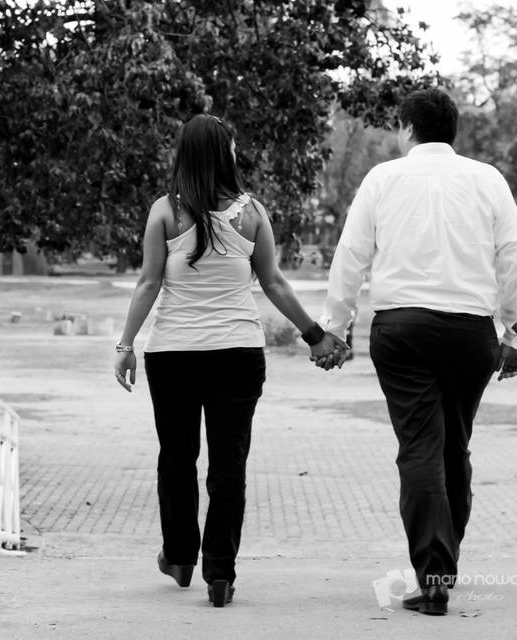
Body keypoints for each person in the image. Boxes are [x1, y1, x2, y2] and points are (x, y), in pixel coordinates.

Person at [113, 114, 348, 608]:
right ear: (225, 154)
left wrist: (125, 344)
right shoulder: (252, 213)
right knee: (228, 466)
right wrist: (314, 335)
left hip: (174, 357)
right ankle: (220, 573)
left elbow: (149, 283)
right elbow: (275, 282)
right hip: (237, 357)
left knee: (176, 458)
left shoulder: (164, 211)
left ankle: (179, 557)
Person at [320, 88, 517, 616]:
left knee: (420, 447)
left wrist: (336, 327)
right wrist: (514, 331)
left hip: (403, 330)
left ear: (406, 127)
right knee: (454, 445)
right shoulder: (487, 180)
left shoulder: (383, 179)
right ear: (453, 131)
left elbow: (352, 254)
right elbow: (515, 252)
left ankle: (432, 577)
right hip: (469, 332)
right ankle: (444, 570)